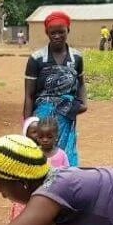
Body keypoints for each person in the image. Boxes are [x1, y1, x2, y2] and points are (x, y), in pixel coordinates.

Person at [24, 11, 88, 167]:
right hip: (42, 115)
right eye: (53, 32)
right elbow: (29, 95)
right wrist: (28, 123)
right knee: (41, 155)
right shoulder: (36, 58)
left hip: (67, 114)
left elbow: (81, 83)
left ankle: (65, 186)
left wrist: (84, 103)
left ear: (68, 31)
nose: (57, 36)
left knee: (65, 153)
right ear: (47, 33)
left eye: (61, 32)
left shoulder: (76, 58)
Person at [10, 116, 40, 220]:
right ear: (25, 134)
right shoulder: (20, 152)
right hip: (23, 195)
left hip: (39, 195)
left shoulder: (44, 152)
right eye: (34, 132)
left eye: (39, 131)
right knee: (20, 218)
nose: (37, 135)